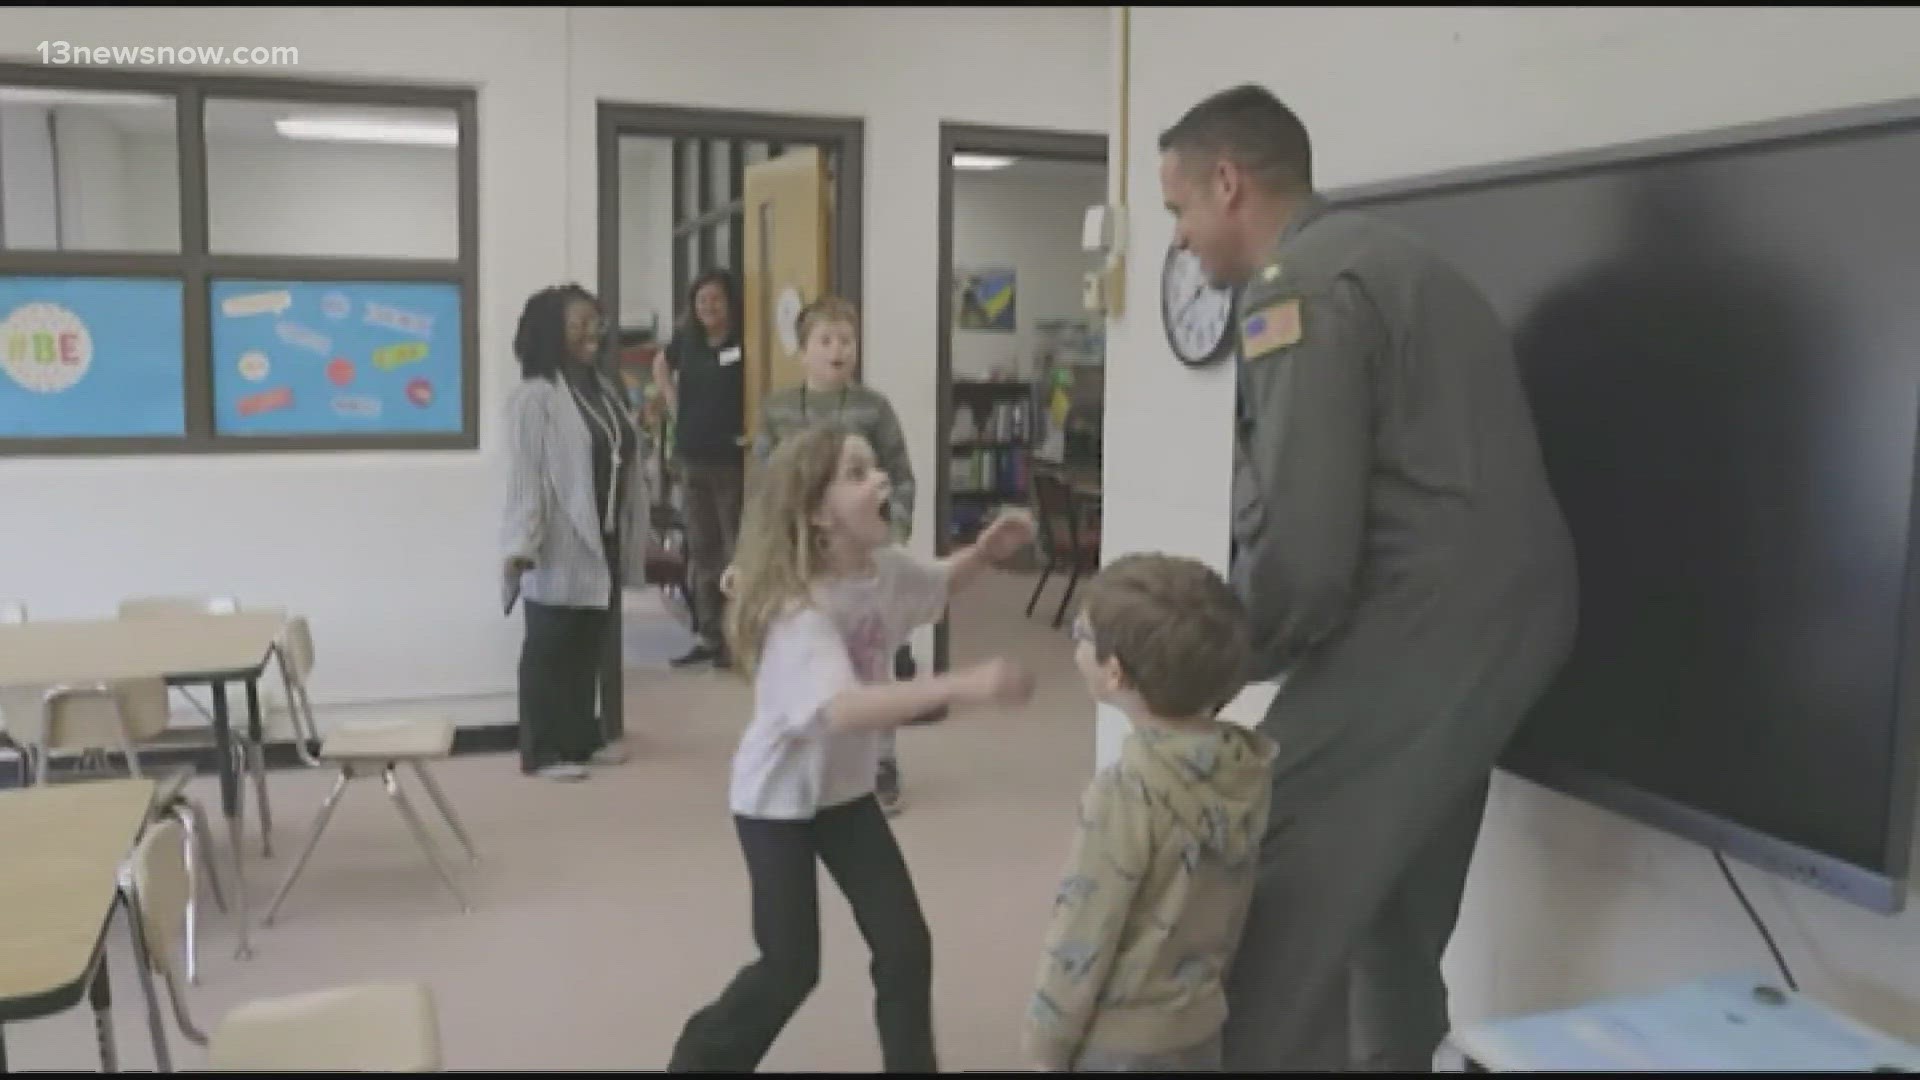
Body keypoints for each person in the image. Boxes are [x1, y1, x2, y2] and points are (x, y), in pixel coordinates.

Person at [1156, 84, 1580, 1070]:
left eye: (1177, 209)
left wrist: (1198, 669)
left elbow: (1303, 555)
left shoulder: (1294, 289)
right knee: (1392, 910)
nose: (1178, 238)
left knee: (1257, 886)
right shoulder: (1408, 261)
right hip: (1498, 627)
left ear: (1228, 184)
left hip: (1424, 625)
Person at [666, 423, 1038, 1074]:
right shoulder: (795, 607)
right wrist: (963, 685)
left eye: (876, 469)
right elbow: (840, 709)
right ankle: (700, 1060)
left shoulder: (883, 571)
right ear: (817, 513)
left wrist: (982, 553)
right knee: (790, 967)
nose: (882, 480)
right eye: (858, 473)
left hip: (844, 794)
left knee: (905, 946)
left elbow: (937, 584)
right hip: (776, 801)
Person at [1024, 553, 1276, 1073]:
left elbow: (1084, 933)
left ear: (1114, 673)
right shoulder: (1246, 772)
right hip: (1199, 1027)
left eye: (1081, 634)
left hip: (1120, 1043)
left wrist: (1043, 1050)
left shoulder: (1124, 795)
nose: (1076, 645)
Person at [745, 295, 927, 815]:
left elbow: (901, 475)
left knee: (870, 655)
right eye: (825, 340)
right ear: (802, 352)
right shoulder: (779, 410)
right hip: (797, 555)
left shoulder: (873, 408)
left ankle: (882, 762)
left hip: (859, 555)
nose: (837, 350)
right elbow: (761, 487)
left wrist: (895, 528)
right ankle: (799, 756)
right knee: (798, 652)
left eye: (846, 340)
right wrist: (747, 557)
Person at [502, 284, 649, 781]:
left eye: (596, 321)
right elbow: (525, 476)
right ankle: (541, 751)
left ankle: (582, 740)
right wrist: (521, 545)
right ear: (550, 332)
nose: (593, 331)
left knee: (589, 640)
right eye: (579, 323)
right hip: (556, 540)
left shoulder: (602, 387)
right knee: (551, 643)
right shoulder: (533, 397)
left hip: (603, 533)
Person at [654, 270, 745, 669]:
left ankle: (736, 637)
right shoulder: (686, 340)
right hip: (692, 457)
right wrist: (674, 405)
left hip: (730, 460)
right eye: (701, 300)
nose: (708, 306)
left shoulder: (743, 341)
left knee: (734, 548)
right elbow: (660, 365)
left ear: (730, 302)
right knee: (703, 548)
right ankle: (709, 634)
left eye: (716, 299)